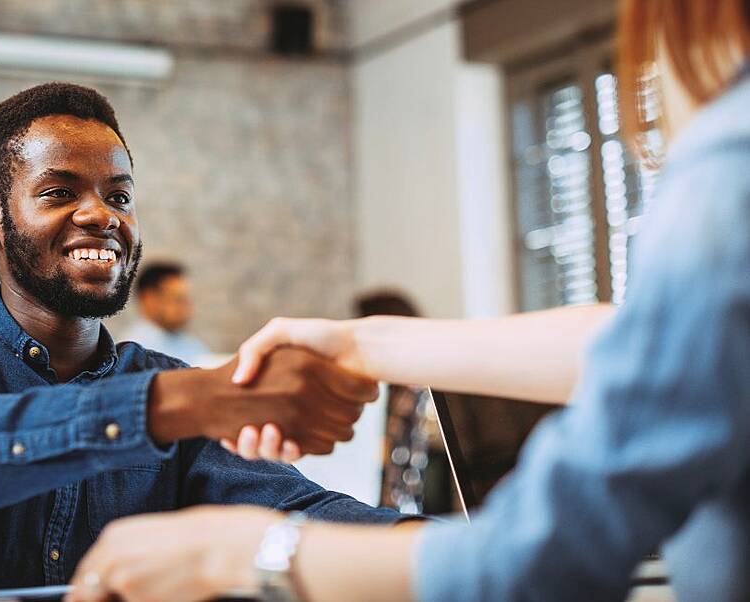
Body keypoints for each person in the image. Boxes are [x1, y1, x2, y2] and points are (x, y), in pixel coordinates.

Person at [68, 1, 750, 600]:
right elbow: (660, 345)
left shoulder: (729, 165)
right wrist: (364, 343)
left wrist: (246, 554)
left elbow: (537, 563)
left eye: (119, 197)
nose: (99, 219)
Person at [0, 82, 411, 590]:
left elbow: (307, 511)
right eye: (59, 192)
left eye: (119, 196)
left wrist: (474, 550)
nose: (102, 215)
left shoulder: (163, 379)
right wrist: (180, 403)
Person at [121, 262, 211, 365]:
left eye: (187, 299)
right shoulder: (133, 353)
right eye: (178, 299)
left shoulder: (191, 344)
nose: (187, 307)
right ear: (149, 299)